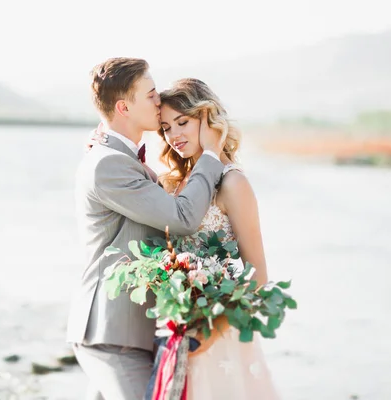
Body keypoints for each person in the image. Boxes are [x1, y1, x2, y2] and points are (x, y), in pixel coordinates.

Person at [66, 58, 225, 400]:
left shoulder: (117, 156)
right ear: (124, 107)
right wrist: (211, 156)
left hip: (128, 333)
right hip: (112, 334)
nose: (159, 100)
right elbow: (182, 217)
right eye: (151, 94)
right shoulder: (107, 163)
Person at [157, 78, 280, 400]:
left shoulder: (233, 184)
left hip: (215, 336)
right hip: (172, 327)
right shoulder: (173, 183)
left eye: (183, 122)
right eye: (166, 127)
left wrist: (208, 334)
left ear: (209, 119)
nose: (174, 136)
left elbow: (258, 277)